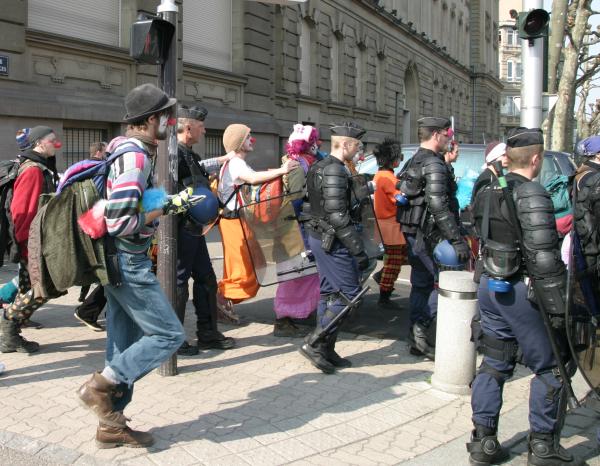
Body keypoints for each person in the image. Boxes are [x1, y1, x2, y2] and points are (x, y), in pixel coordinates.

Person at [76, 83, 195, 449]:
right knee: (168, 335)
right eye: (166, 116)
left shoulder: (125, 150)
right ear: (149, 120)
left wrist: (164, 201)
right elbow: (123, 220)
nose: (171, 123)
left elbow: (129, 205)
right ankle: (98, 388)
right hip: (128, 259)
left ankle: (111, 425)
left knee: (122, 345)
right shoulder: (136, 157)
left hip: (116, 260)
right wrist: (167, 209)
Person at [468, 127, 574, 466]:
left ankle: (483, 443)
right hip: (519, 289)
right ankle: (542, 446)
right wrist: (559, 310)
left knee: (496, 364)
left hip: (488, 284)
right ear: (537, 157)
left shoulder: (487, 188)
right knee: (552, 366)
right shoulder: (532, 192)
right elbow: (544, 258)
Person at [299, 122, 370, 374]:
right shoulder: (334, 169)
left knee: (330, 294)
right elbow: (338, 215)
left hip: (323, 237)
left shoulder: (322, 165)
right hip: (333, 240)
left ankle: (326, 349)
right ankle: (315, 343)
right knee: (350, 295)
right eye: (358, 146)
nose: (359, 151)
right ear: (347, 144)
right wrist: (358, 251)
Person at [396, 117, 469, 360]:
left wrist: (447, 164)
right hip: (428, 237)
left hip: (414, 233)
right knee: (441, 283)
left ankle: (416, 337)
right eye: (447, 135)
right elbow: (439, 205)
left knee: (421, 284)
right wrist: (456, 239)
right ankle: (423, 333)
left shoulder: (416, 158)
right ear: (437, 135)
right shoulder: (433, 163)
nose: (449, 139)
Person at [216, 124, 298, 322]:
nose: (251, 140)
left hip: (239, 221)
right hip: (234, 222)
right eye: (248, 137)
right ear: (238, 142)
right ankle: (217, 301)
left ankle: (220, 303)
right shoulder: (235, 163)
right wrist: (282, 170)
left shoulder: (237, 162)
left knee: (253, 267)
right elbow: (252, 179)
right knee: (243, 272)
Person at [175, 104, 235, 355]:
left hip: (195, 229)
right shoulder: (172, 156)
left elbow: (200, 188)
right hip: (178, 229)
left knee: (207, 279)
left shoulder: (191, 155)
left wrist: (221, 207)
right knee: (177, 283)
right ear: (188, 127)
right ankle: (173, 340)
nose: (204, 130)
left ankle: (208, 334)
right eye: (201, 126)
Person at [0, 126, 61, 353]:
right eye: (52, 140)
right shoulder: (33, 170)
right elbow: (21, 212)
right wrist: (29, 247)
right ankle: (8, 324)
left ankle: (12, 334)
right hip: (32, 244)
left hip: (34, 242)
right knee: (42, 288)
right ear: (38, 143)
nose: (56, 144)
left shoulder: (39, 167)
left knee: (29, 287)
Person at [273, 124, 321, 337]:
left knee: (306, 273)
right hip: (295, 227)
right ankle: (283, 320)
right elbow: (294, 199)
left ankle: (300, 313)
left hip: (301, 226)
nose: (317, 145)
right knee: (294, 275)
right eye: (314, 142)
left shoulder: (304, 162)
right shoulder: (297, 165)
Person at [372, 138, 406, 309]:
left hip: (384, 223)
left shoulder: (380, 174)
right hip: (390, 223)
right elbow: (401, 199)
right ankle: (384, 295)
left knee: (397, 258)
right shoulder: (388, 177)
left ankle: (382, 276)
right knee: (394, 262)